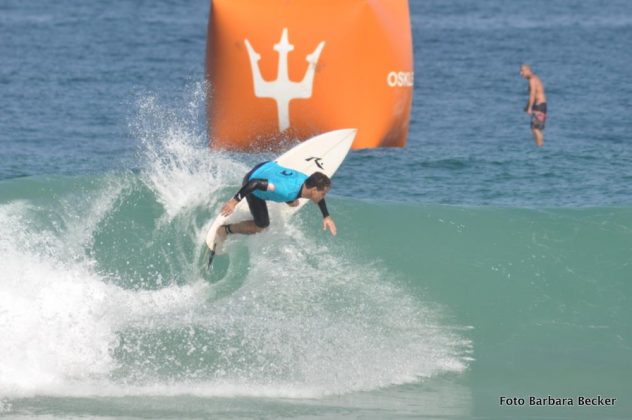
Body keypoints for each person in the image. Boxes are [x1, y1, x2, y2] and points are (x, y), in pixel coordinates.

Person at [216, 161, 337, 241]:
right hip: (252, 182)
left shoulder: (306, 180)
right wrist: (233, 202)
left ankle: (290, 201)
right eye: (323, 193)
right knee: (262, 226)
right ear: (314, 190)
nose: (324, 196)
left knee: (294, 202)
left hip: (266, 165)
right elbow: (255, 183)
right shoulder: (285, 191)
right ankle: (225, 230)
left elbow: (318, 197)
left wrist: (326, 216)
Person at [520, 64, 548, 147]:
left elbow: (533, 94)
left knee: (536, 128)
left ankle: (540, 147)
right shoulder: (534, 79)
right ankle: (539, 147)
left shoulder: (532, 79)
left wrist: (529, 108)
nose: (521, 73)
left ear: (528, 70)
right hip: (539, 106)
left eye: (522, 71)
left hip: (539, 106)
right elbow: (533, 96)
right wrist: (527, 106)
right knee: (535, 128)